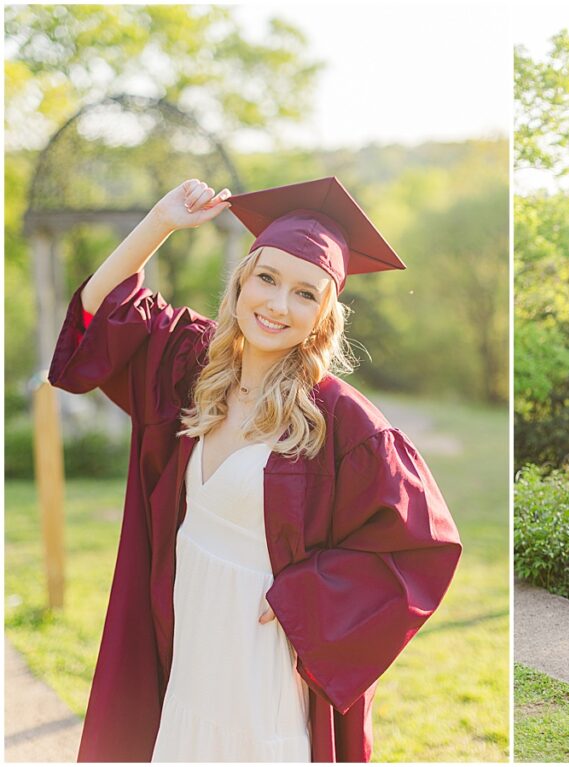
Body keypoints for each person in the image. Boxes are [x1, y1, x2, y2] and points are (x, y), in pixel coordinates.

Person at [47, 176, 462, 761]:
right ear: (240, 281)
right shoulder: (191, 363)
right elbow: (102, 308)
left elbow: (422, 547)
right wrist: (161, 221)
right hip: (187, 622)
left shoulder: (339, 419)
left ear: (324, 315)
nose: (276, 304)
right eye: (266, 278)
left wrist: (310, 598)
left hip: (262, 643)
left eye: (304, 293)